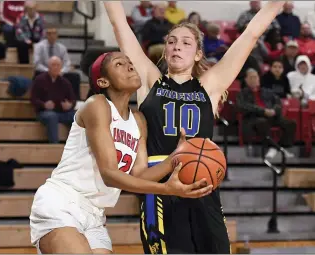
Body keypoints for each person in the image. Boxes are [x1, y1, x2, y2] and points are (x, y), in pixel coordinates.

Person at [104, 1, 285, 254]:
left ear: (199, 53)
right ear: (165, 51)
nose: (177, 45)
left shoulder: (209, 86)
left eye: (186, 42)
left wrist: (276, 4)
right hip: (159, 184)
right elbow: (118, 23)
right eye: (171, 41)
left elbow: (250, 35)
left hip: (202, 182)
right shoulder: (149, 80)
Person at [29, 51, 212, 254]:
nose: (130, 66)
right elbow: (109, 174)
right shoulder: (97, 105)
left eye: (130, 62)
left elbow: (139, 175)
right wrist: (168, 189)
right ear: (103, 81)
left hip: (96, 214)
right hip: (61, 201)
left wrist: (174, 159)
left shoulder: (139, 121)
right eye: (119, 64)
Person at [237, 68, 296, 159]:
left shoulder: (267, 91)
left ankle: (276, 147)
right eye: (251, 77)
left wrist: (273, 111)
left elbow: (278, 103)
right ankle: (276, 148)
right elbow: (242, 106)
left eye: (256, 77)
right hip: (253, 118)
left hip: (271, 116)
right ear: (246, 80)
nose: (254, 79)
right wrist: (263, 111)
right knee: (263, 122)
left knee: (291, 123)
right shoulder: (242, 93)